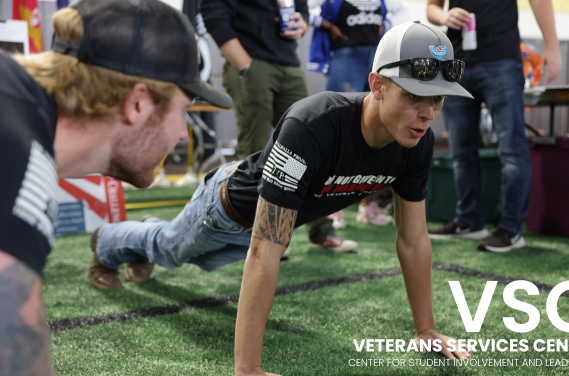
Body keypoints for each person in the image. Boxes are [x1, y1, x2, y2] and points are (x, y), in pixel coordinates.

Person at [90, 21, 474, 374]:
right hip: (224, 210)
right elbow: (265, 247)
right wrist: (248, 369)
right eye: (414, 96)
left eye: (438, 100)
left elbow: (413, 238)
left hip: (266, 229)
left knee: (182, 255)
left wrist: (427, 330)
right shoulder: (313, 124)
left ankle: (144, 236)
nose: (428, 114)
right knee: (169, 250)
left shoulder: (415, 142)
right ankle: (107, 242)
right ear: (377, 85)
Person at [0, 0, 233, 374]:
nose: (179, 132)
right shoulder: (22, 160)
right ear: (138, 102)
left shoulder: (17, 105)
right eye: (183, 109)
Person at [202, 0, 357, 254]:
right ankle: (263, 237)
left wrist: (302, 23)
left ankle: (322, 230)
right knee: (257, 153)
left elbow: (302, 8)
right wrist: (246, 65)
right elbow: (213, 15)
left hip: (288, 63)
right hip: (252, 62)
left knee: (316, 148)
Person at [426, 0, 562, 252]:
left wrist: (552, 45)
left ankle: (510, 228)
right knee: (460, 151)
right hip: (457, 62)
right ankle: (468, 220)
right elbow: (431, 8)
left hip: (502, 61)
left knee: (511, 150)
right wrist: (444, 17)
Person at [308, 0, 410, 228]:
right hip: (345, 57)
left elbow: (404, 10)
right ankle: (332, 206)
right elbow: (301, 7)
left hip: (375, 56)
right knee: (337, 129)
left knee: (377, 130)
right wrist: (325, 24)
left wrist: (388, 24)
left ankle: (367, 205)